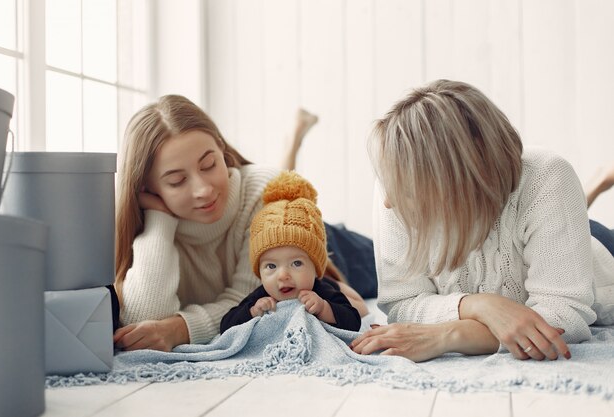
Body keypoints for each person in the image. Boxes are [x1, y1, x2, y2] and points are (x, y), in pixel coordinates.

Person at [351, 79, 614, 362]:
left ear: (457, 178)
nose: (389, 202)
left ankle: (587, 192)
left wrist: (448, 335)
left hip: (601, 256)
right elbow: (401, 302)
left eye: (407, 192)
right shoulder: (394, 182)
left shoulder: (546, 175)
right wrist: (481, 305)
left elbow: (562, 316)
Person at [112, 95, 370, 352]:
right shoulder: (148, 225)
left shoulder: (261, 190)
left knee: (385, 269)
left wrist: (180, 329)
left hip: (319, 251)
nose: (203, 190)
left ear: (222, 151)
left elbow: (257, 297)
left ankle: (293, 140)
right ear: (148, 187)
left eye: (209, 164)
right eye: (177, 181)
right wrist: (159, 221)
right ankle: (293, 139)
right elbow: (144, 321)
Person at [220, 171, 362, 333]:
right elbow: (225, 326)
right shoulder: (261, 296)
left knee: (355, 292)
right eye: (271, 266)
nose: (282, 275)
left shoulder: (321, 291)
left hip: (353, 255)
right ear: (259, 271)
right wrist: (251, 312)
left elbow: (353, 321)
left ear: (315, 268)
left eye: (296, 263)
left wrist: (324, 308)